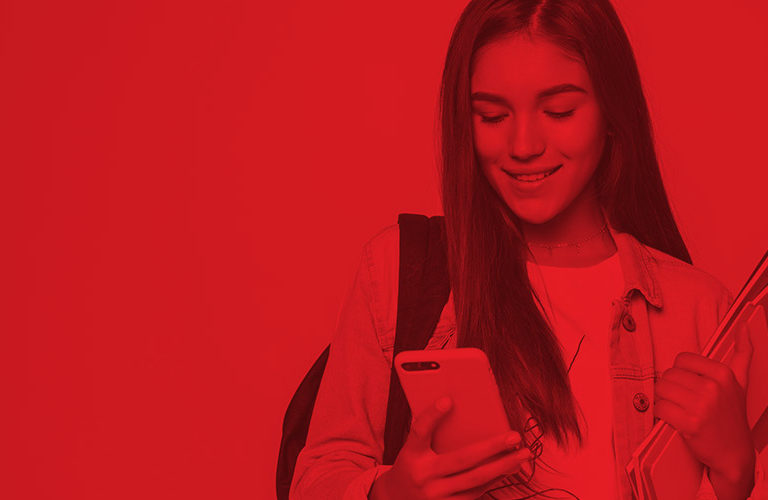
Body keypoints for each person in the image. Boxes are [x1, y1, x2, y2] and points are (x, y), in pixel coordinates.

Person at [288, 0, 766, 498]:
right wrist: (391, 492)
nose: (522, 145)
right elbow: (316, 477)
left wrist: (735, 473)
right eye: (492, 116)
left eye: (559, 111)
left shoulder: (700, 308)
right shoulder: (399, 272)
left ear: (611, 110)